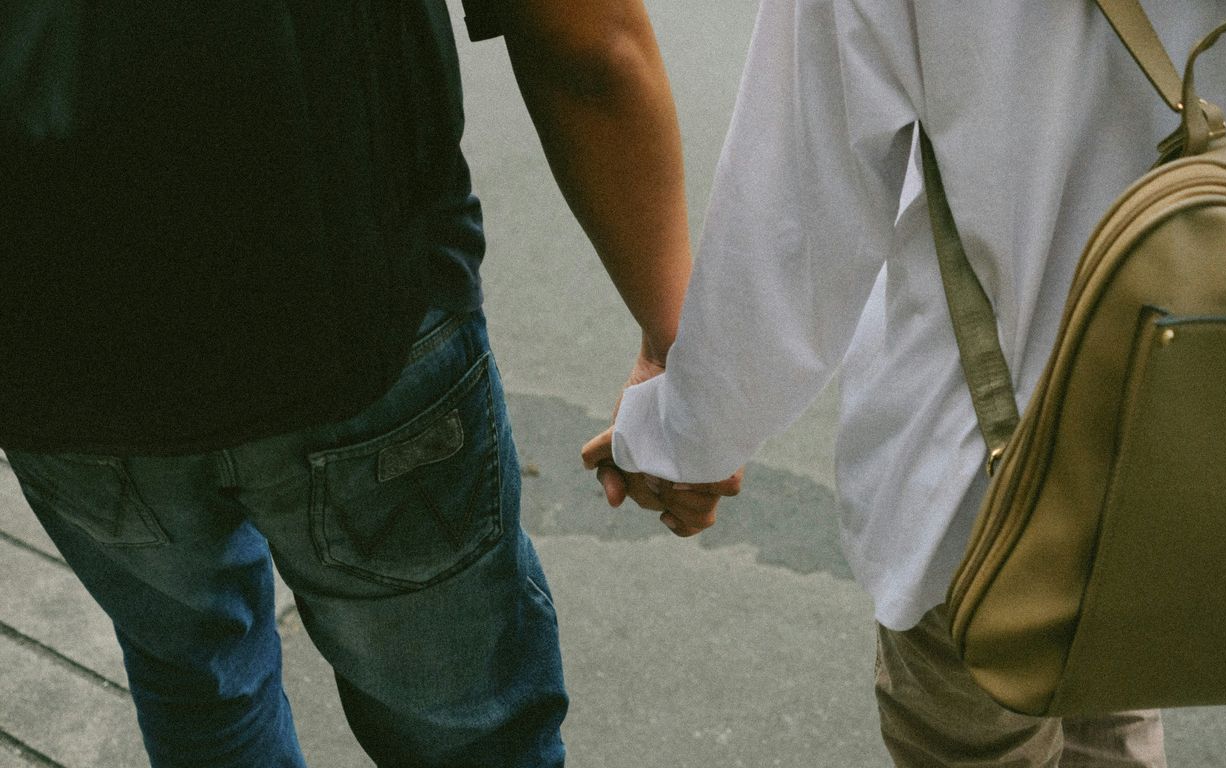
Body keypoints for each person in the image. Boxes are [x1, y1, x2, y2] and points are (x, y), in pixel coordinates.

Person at [583, 1, 1226, 765]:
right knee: (1116, 663)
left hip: (983, 484)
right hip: (1211, 449)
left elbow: (798, 216)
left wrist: (684, 433)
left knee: (979, 724)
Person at [0, 1, 729, 765]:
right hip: (359, 328)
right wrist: (681, 358)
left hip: (51, 354)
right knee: (468, 733)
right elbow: (587, 46)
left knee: (199, 684)